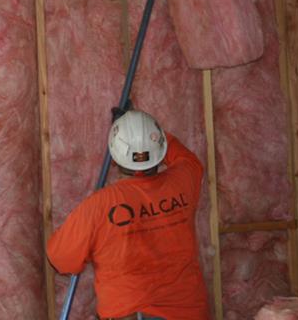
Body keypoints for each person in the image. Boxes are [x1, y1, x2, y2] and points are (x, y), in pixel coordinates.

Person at [47, 110, 209, 320]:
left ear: (114, 158)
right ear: (160, 147)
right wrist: (146, 134)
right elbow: (185, 157)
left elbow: (61, 260)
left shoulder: (98, 207)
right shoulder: (184, 181)